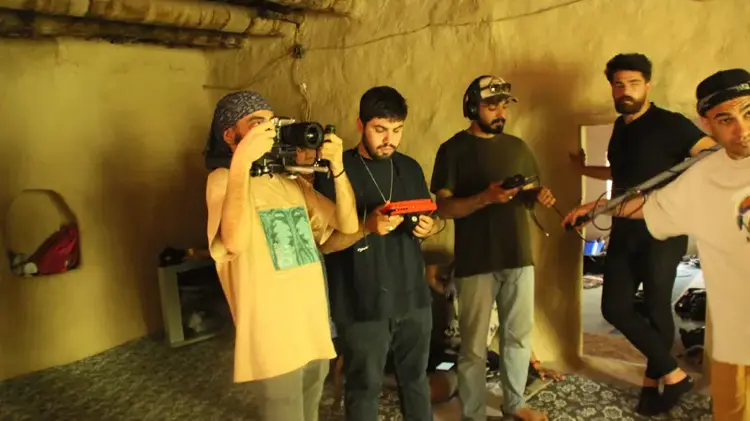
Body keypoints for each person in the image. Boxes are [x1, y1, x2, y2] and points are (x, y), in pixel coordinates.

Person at [563, 68, 749, 421]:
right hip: (632, 222)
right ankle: (671, 373)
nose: (626, 90)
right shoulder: (621, 129)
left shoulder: (670, 124)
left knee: (656, 304)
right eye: (619, 84)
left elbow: (708, 152)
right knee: (615, 306)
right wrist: (588, 178)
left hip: (664, 231)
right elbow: (622, 175)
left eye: (634, 83)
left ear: (647, 85)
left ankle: (654, 382)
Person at [203, 91, 358, 421]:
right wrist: (241, 162)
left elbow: (348, 224)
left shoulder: (290, 182)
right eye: (257, 124)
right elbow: (233, 241)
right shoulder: (222, 180)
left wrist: (338, 168)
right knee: (284, 412)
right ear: (230, 135)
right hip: (272, 333)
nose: (268, 132)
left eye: (271, 124)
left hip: (312, 325)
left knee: (309, 410)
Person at [430, 75, 556, 421]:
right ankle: (472, 414)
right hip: (475, 262)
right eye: (491, 106)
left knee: (518, 338)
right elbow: (443, 208)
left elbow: (527, 194)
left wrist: (537, 195)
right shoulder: (452, 150)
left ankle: (515, 405)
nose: (501, 112)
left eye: (504, 105)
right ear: (472, 108)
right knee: (473, 347)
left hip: (518, 257)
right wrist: (485, 197)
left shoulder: (518, 148)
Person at [314, 86, 436, 421]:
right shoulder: (334, 171)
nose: (389, 140)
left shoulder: (409, 167)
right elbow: (324, 245)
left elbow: (431, 218)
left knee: (416, 380)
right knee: (364, 387)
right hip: (361, 302)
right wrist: (366, 227)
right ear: (360, 125)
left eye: (397, 130)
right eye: (380, 129)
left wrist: (430, 227)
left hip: (413, 297)